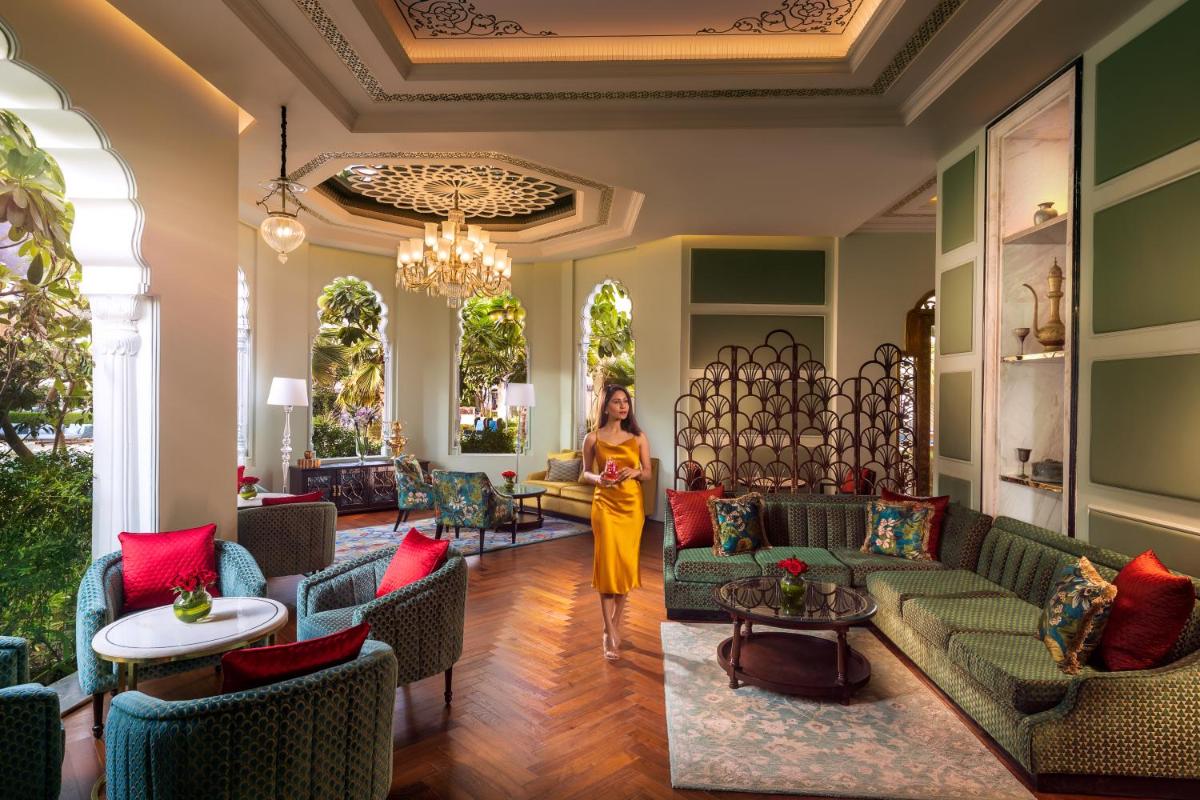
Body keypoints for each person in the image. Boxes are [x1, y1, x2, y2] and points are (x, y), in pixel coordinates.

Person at [581, 385, 652, 661]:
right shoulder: (592, 438)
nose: (623, 406)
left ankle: (614, 622)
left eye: (626, 402)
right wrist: (599, 479)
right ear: (606, 406)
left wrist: (635, 471)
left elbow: (647, 473)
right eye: (616, 402)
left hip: (632, 507)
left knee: (623, 565)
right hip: (604, 506)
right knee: (607, 564)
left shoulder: (638, 437)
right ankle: (608, 631)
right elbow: (585, 473)